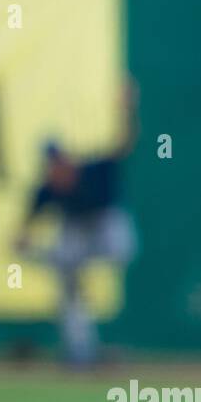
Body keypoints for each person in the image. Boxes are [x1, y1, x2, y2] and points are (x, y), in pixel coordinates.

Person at [15, 86, 138, 366]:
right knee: (66, 280)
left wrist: (127, 109)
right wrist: (21, 240)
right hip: (78, 231)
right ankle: (81, 350)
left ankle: (105, 334)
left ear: (66, 160)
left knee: (121, 252)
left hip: (108, 225)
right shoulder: (47, 189)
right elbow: (24, 225)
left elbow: (125, 143)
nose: (55, 170)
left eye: (58, 162)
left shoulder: (93, 171)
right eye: (50, 165)